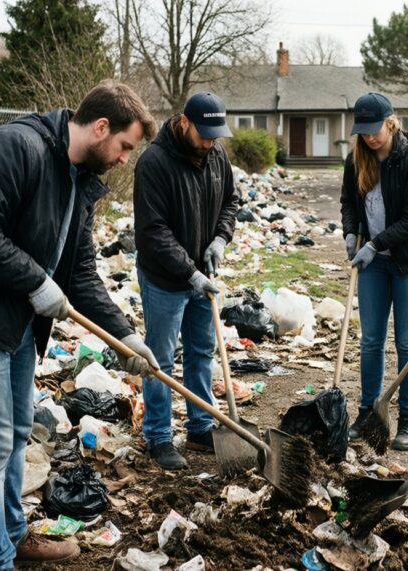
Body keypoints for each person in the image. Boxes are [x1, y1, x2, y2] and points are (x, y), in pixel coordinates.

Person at [0, 80, 159, 570]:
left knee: (18, 429)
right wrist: (34, 280)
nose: (124, 159)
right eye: (124, 147)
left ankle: (8, 533)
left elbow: (82, 273)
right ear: (101, 127)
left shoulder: (78, 183)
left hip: (13, 317)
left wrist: (125, 333)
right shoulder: (11, 147)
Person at [134, 92, 238, 470]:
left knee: (201, 352)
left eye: (216, 135)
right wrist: (188, 272)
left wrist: (220, 240)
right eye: (204, 133)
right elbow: (152, 232)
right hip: (165, 279)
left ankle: (200, 427)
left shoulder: (217, 156)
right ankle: (159, 437)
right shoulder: (154, 163)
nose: (210, 141)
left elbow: (231, 201)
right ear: (183, 123)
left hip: (203, 275)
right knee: (159, 360)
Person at [341, 92, 408, 451]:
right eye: (362, 131)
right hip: (373, 265)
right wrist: (351, 231)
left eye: (374, 129)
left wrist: (375, 243)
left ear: (390, 121)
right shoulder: (357, 159)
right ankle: (368, 412)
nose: (369, 137)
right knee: (370, 341)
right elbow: (349, 202)